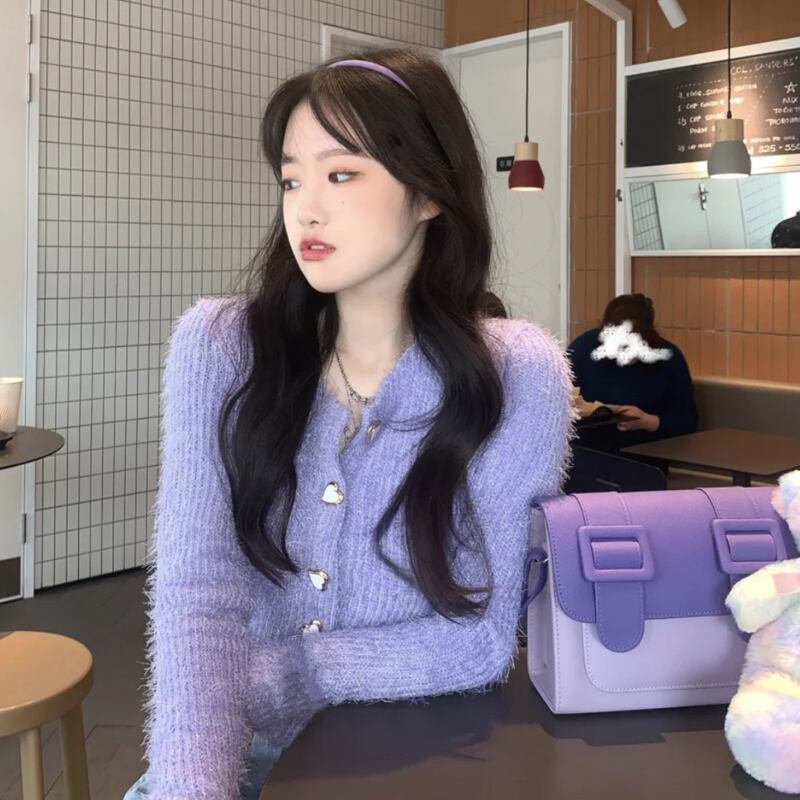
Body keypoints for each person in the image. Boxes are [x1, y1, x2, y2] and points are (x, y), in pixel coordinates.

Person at [124, 48, 574, 800]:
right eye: (290, 179)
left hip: (423, 756)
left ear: (429, 193)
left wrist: (286, 671)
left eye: (340, 174)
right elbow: (197, 597)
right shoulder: (221, 348)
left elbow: (480, 637)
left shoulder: (517, 371)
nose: (305, 208)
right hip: (241, 753)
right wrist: (193, 787)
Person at [567, 293, 698, 459]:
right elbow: (556, 405)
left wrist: (647, 421)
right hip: (588, 450)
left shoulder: (668, 358)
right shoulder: (583, 349)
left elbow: (688, 422)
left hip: (645, 453)